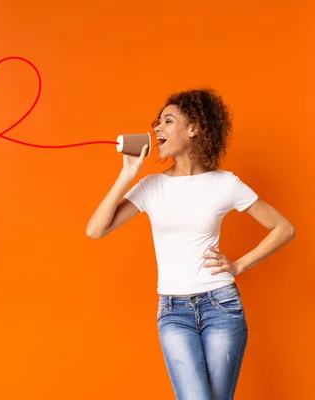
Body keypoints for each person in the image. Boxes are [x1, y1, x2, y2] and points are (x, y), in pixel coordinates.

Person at [85, 89, 295, 400]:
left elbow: (284, 228)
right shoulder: (151, 186)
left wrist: (240, 265)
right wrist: (127, 173)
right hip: (173, 311)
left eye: (167, 121)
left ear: (194, 127)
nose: (157, 129)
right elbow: (95, 230)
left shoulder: (225, 183)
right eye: (157, 123)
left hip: (221, 306)